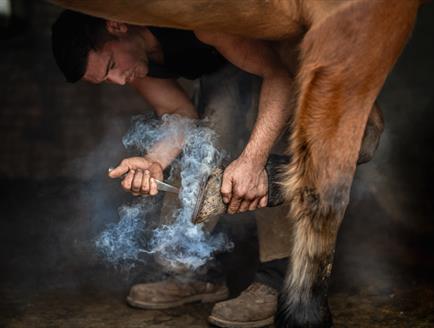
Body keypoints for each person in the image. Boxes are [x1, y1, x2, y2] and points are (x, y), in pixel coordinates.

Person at [51, 10, 294, 328]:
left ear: (117, 24)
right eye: (106, 79)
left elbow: (281, 77)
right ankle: (198, 273)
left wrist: (253, 160)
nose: (119, 80)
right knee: (205, 140)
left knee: (270, 152)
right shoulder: (135, 62)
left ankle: (278, 282)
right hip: (222, 76)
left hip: (276, 68)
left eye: (111, 66)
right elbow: (179, 113)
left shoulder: (198, 22)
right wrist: (154, 161)